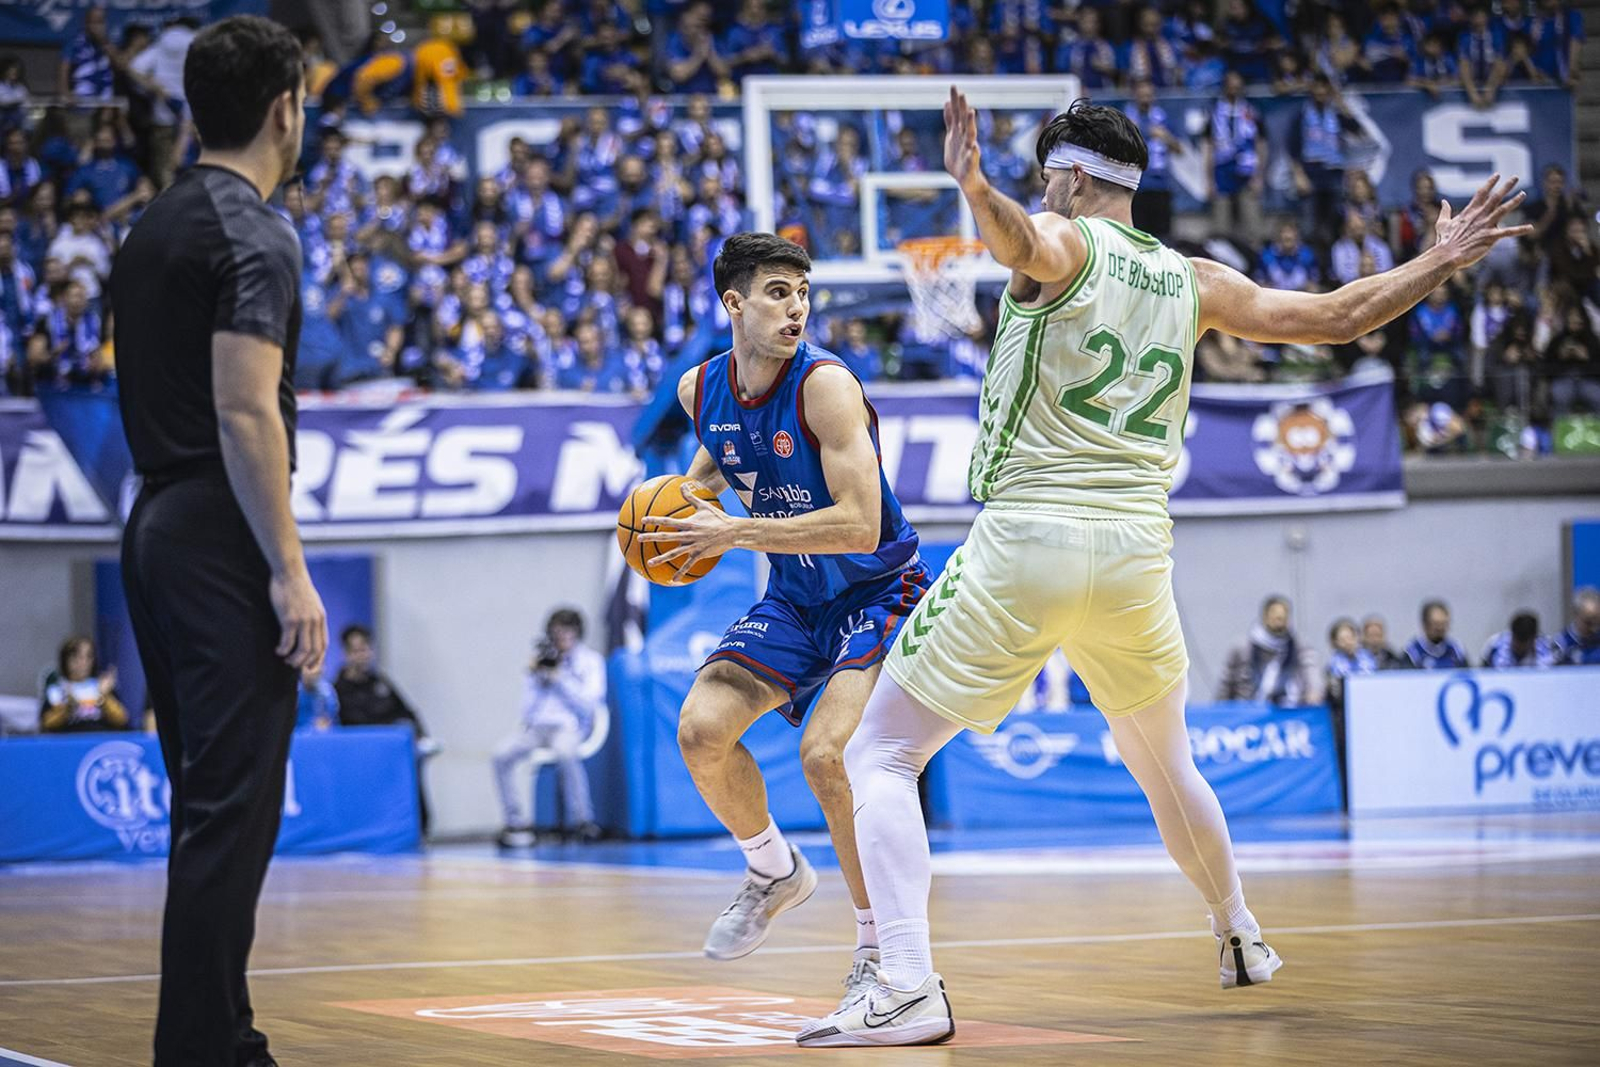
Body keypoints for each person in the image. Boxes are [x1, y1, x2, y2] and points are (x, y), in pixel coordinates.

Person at [798, 92, 1530, 1047]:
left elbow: (1026, 243)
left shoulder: (1061, 238)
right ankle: (1237, 930)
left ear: (1073, 176)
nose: (1039, 188)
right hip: (1139, 551)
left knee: (880, 754)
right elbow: (1338, 318)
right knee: (1165, 763)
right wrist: (1438, 258)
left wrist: (973, 186)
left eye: (1046, 174)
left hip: (1033, 537)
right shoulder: (1194, 279)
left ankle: (904, 983)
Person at [637, 231, 932, 1012]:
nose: (795, 307)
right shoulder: (701, 391)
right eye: (776, 292)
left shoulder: (826, 385)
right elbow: (713, 471)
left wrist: (732, 532)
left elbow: (863, 523)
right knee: (701, 729)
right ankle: (772, 867)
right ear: (733, 303)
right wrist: (672, 511)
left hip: (877, 590)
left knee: (827, 754)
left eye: (801, 293)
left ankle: (877, 949)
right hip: (797, 597)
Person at [111, 17, 323, 1067]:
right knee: (232, 809)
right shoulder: (254, 230)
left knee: (210, 804)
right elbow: (247, 413)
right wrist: (288, 570)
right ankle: (205, 1047)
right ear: (285, 106)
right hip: (217, 528)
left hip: (152, 519)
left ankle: (213, 1034)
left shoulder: (150, 226)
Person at [492, 608, 606, 847]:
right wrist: (536, 677)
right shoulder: (542, 659)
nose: (561, 638)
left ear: (577, 633)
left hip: (569, 726)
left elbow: (590, 705)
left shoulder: (590, 661)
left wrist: (560, 679)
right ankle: (515, 823)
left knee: (566, 754)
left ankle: (583, 820)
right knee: (500, 755)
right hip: (536, 728)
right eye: (556, 633)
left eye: (567, 632)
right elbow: (526, 710)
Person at [334, 624, 439, 832]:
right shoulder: (338, 690)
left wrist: (419, 735)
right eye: (356, 650)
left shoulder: (381, 683)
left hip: (394, 756)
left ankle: (420, 828)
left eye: (365, 649)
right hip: (363, 759)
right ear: (346, 654)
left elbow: (408, 712)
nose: (362, 655)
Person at [1217, 596, 1319, 706]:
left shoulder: (1298, 646)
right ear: (1265, 617)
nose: (1279, 618)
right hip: (1248, 708)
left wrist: (1314, 691)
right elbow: (1226, 682)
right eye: (1275, 615)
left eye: (1283, 615)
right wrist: (1219, 710)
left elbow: (1311, 671)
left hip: (1287, 708)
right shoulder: (1242, 647)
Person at [39, 636, 129, 733]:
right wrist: (68, 706)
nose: (82, 662)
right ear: (65, 659)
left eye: (88, 656)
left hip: (100, 740)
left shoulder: (102, 686)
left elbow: (122, 720)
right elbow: (46, 723)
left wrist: (104, 696)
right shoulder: (57, 689)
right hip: (69, 741)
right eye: (75, 657)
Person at [1406, 599, 1471, 669]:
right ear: (1425, 625)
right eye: (1436, 624)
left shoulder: (1456, 650)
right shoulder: (1413, 652)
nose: (1440, 629)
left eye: (1443, 624)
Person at [1481, 611, 1558, 668]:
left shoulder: (1549, 649)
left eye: (1524, 642)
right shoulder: (1494, 646)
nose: (1519, 646)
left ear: (1534, 639)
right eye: (1516, 640)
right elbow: (1484, 674)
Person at [1554, 587, 1600, 665]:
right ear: (1576, 615)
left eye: (1598, 622)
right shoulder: (1561, 645)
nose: (1594, 628)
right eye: (1588, 622)